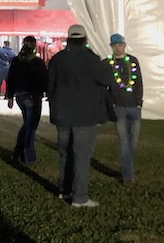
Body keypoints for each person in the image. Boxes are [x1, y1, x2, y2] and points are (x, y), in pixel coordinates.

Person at [47, 24, 115, 208]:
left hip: (61, 114)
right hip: (84, 115)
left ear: (68, 39)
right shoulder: (91, 59)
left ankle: (64, 190)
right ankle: (80, 198)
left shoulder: (58, 59)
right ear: (85, 39)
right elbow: (107, 79)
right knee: (81, 156)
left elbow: (49, 85)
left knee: (65, 154)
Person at [106, 33, 144, 185]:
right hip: (119, 107)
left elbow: (139, 82)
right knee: (123, 141)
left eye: (120, 45)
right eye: (114, 45)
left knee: (133, 142)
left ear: (124, 45)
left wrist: (139, 102)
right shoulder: (108, 63)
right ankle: (127, 176)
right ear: (111, 46)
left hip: (134, 107)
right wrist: (111, 103)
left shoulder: (132, 61)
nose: (117, 48)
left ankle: (127, 166)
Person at [5, 36, 48, 165]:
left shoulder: (16, 61)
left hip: (20, 96)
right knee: (31, 126)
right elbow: (44, 80)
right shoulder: (37, 63)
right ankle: (28, 155)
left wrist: (10, 96)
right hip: (33, 95)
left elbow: (11, 79)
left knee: (27, 124)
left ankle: (18, 151)